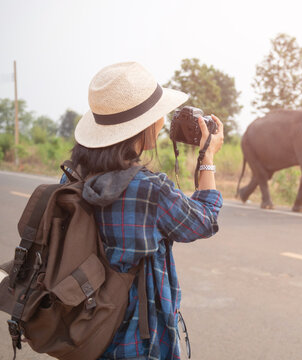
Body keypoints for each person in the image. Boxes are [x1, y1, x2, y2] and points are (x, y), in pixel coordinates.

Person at [65, 61, 224, 359]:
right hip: (136, 340)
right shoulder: (148, 189)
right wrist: (208, 157)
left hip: (83, 330)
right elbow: (204, 220)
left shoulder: (72, 175)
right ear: (146, 124)